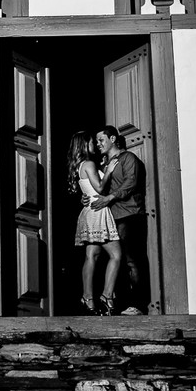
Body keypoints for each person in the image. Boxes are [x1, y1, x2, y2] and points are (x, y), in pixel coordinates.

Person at [91, 125, 149, 315]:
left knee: (132, 260)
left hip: (129, 215)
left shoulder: (128, 158)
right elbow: (100, 189)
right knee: (116, 261)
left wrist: (109, 197)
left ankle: (138, 305)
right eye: (97, 141)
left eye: (101, 140)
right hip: (110, 219)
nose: (98, 144)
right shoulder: (105, 165)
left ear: (113, 139)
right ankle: (120, 305)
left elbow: (130, 183)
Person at [67, 130, 122, 315]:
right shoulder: (89, 164)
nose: (95, 145)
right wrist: (109, 170)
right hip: (98, 210)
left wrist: (104, 168)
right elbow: (99, 188)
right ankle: (107, 296)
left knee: (92, 255)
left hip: (89, 210)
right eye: (92, 142)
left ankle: (88, 299)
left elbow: (88, 188)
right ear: (84, 145)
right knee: (116, 255)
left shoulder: (81, 165)